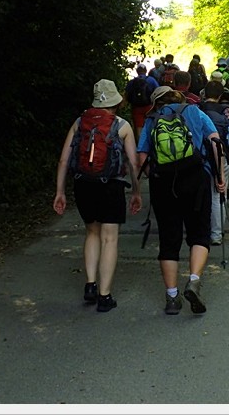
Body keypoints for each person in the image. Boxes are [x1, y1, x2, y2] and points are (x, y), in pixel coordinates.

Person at [53, 79, 142, 312]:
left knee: (92, 232)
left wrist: (60, 192)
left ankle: (90, 285)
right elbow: (133, 163)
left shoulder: (79, 122)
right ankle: (104, 296)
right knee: (109, 238)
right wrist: (136, 191)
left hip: (83, 184)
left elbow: (63, 160)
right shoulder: (122, 125)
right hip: (111, 186)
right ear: (116, 101)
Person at [137, 86, 225, 315]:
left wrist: (155, 175)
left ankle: (172, 297)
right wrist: (219, 177)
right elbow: (215, 141)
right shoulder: (195, 112)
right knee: (199, 233)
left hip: (163, 184)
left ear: (157, 102)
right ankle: (194, 281)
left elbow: (142, 156)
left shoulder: (152, 120)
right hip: (195, 179)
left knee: (169, 238)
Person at [199, 80, 229, 245]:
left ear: (204, 94)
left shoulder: (196, 110)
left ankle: (200, 230)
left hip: (199, 160)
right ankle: (216, 234)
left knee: (199, 195)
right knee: (218, 196)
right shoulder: (226, 112)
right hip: (221, 158)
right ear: (221, 95)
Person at [125, 63, 159, 140]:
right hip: (149, 107)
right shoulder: (151, 80)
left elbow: (126, 94)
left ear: (137, 71)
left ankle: (140, 144)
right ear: (146, 71)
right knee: (151, 125)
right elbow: (158, 90)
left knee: (138, 128)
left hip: (136, 108)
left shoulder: (132, 82)